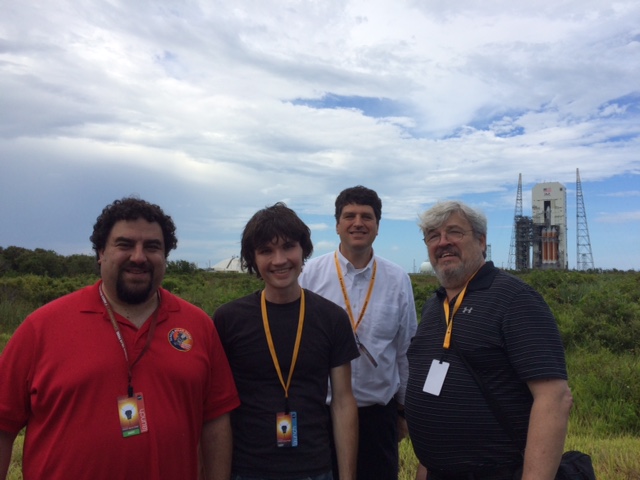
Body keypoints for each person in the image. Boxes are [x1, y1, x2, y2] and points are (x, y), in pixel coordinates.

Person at [0, 197, 240, 480]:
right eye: (124, 244)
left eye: (152, 246)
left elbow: (215, 422)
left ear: (165, 256)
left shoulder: (198, 326)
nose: (138, 256)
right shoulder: (41, 328)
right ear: (101, 251)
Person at [405, 200, 573, 480]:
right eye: (433, 236)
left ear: (481, 241)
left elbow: (554, 398)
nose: (443, 242)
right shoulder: (434, 307)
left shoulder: (514, 299)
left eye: (454, 232)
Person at [213, 202, 359, 480]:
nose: (279, 260)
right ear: (252, 260)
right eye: (266, 251)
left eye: (288, 246)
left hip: (315, 468)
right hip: (247, 469)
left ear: (304, 250)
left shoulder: (332, 318)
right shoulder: (228, 320)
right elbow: (216, 408)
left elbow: (342, 401)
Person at [298, 186, 418, 480]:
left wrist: (402, 413)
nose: (358, 223)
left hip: (378, 415)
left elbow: (405, 350)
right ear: (337, 224)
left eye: (367, 216)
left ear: (378, 226)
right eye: (349, 216)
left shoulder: (397, 278)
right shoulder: (310, 274)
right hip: (321, 413)